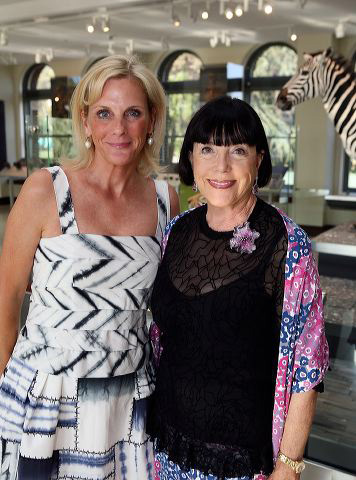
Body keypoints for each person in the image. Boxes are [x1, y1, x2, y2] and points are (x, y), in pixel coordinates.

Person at [0, 54, 179, 480]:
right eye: (105, 113)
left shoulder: (164, 201)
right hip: (46, 395)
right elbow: (6, 296)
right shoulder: (46, 188)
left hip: (128, 399)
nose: (118, 128)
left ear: (152, 121)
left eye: (132, 113)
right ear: (85, 121)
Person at [148, 96, 329, 480]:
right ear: (191, 158)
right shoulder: (177, 232)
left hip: (242, 465)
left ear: (259, 159)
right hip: (166, 447)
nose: (221, 166)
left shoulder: (287, 244)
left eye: (238, 150)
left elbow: (306, 368)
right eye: (208, 149)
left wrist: (289, 466)